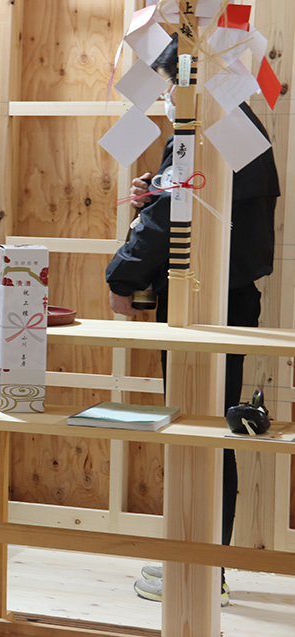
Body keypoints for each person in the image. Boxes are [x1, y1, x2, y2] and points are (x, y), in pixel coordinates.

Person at [105, 35, 280, 606]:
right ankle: (194, 559)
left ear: (189, 77)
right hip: (218, 297)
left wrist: (122, 278)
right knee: (198, 430)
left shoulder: (206, 129)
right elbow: (180, 206)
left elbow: (170, 219)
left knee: (200, 433)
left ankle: (205, 571)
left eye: (169, 84)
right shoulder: (232, 123)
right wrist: (154, 192)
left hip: (207, 302)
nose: (167, 96)